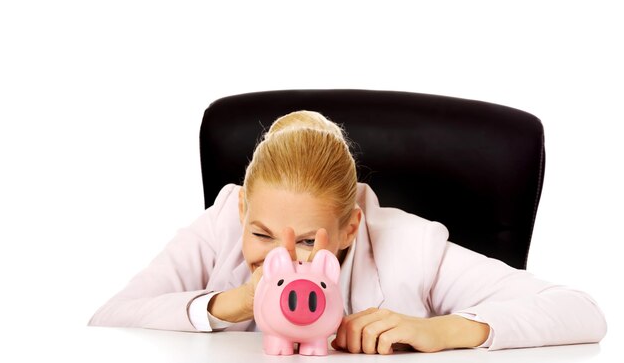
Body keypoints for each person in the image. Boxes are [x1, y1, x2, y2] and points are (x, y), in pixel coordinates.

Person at [89, 110, 607, 354]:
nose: (284, 259)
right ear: (243, 208)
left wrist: (443, 329)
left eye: (309, 241)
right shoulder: (223, 222)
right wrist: (238, 302)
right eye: (263, 234)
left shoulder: (411, 246)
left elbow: (580, 310)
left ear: (350, 226)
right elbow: (110, 317)